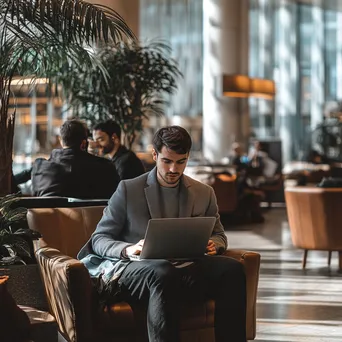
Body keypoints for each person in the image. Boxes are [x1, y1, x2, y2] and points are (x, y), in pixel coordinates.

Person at [78, 125, 247, 342]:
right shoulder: (128, 190)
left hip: (185, 266)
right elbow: (99, 239)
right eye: (167, 161)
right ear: (155, 155)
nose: (173, 169)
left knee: (232, 269)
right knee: (162, 272)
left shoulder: (204, 193)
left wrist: (214, 244)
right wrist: (129, 249)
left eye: (181, 162)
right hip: (138, 270)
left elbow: (219, 235)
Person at [31, 119, 120, 199]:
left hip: (49, 217)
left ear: (61, 140)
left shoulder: (39, 168)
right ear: (84, 143)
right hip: (93, 217)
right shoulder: (106, 168)